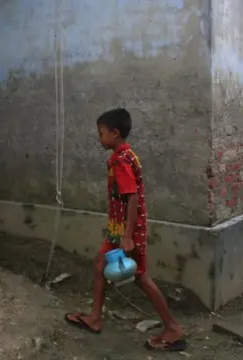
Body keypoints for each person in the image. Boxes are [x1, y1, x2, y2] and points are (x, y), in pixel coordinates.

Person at [64, 108, 186, 352]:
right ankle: (95, 318)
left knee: (141, 277)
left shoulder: (121, 160)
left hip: (128, 232)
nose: (99, 138)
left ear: (114, 133)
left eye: (101, 134)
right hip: (118, 230)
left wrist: (128, 236)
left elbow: (132, 198)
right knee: (100, 264)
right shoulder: (126, 155)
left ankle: (173, 328)